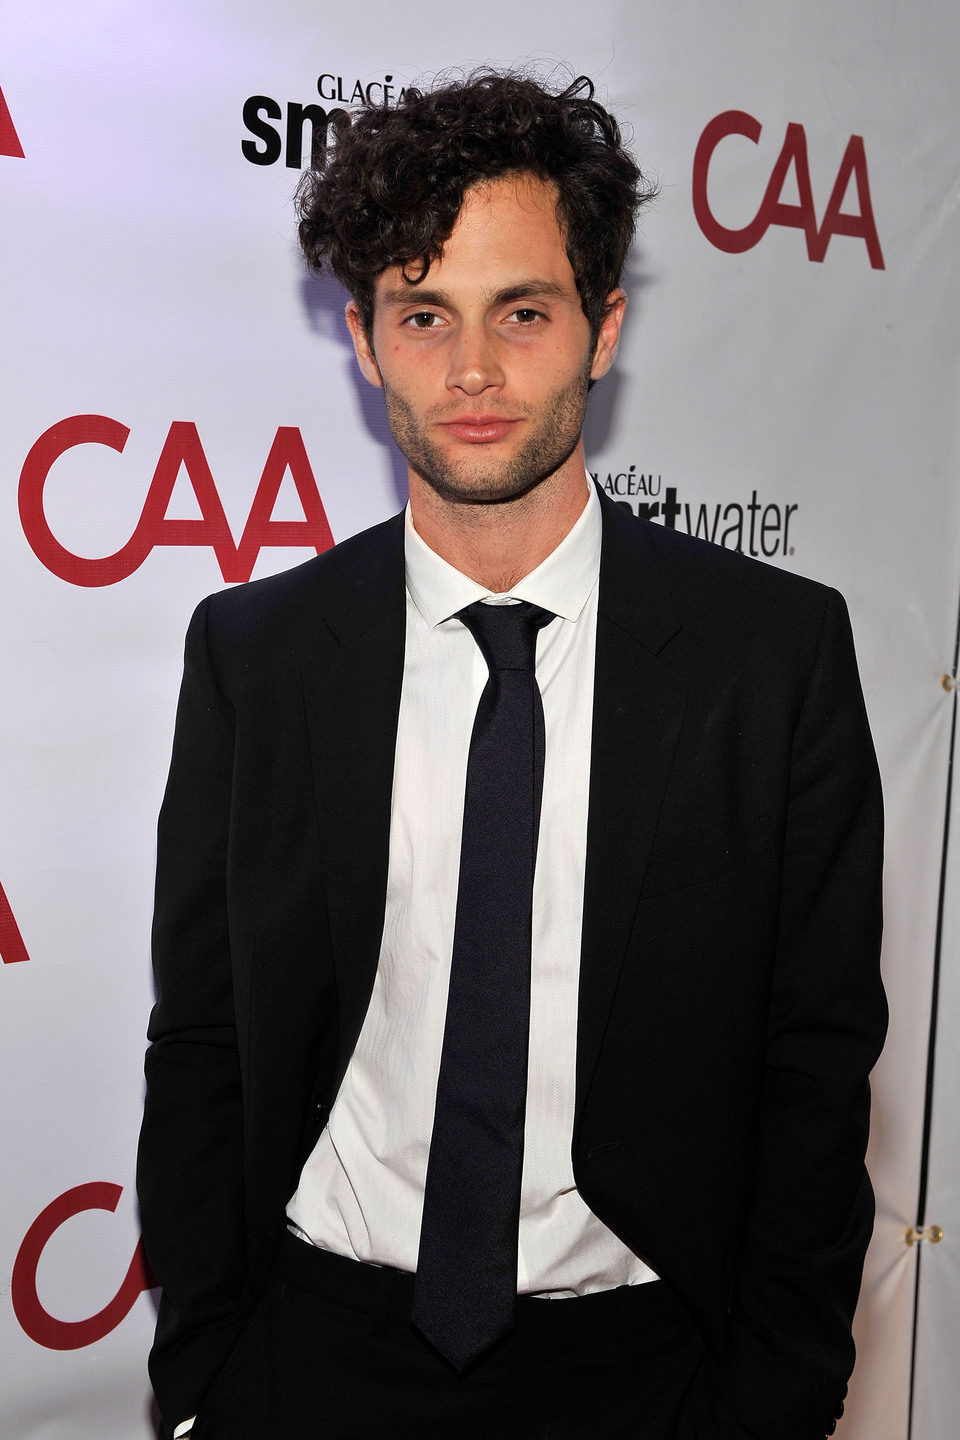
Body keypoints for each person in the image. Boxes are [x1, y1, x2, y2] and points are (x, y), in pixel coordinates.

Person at [137, 71, 886, 1440]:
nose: (472, 372)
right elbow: (203, 1039)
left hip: (650, 1372)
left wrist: (774, 1399)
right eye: (424, 315)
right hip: (314, 1363)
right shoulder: (257, 655)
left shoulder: (769, 658)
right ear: (366, 343)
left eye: (521, 313)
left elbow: (816, 1064)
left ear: (602, 331)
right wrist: (206, 1375)